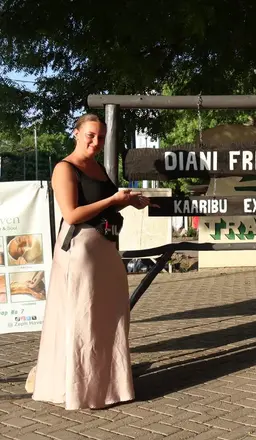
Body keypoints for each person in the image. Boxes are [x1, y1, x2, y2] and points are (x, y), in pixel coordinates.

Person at [26, 113, 151, 410]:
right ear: (76, 133)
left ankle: (108, 385)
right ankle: (80, 389)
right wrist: (112, 201)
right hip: (80, 251)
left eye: (101, 137)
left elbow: (104, 206)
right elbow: (72, 214)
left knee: (110, 316)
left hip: (105, 250)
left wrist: (129, 202)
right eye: (90, 135)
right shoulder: (65, 168)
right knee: (83, 319)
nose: (96, 141)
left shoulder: (98, 167)